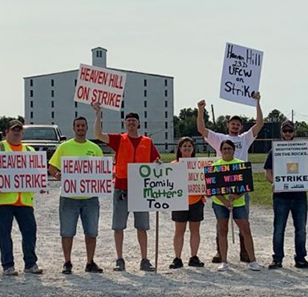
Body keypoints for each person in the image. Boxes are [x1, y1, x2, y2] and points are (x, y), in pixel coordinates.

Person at [92, 102, 161, 272]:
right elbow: (98, 134)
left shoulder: (148, 141)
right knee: (118, 226)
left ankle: (144, 259)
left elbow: (156, 160)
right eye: (128, 120)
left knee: (142, 226)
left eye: (133, 121)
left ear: (138, 123)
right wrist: (99, 113)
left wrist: (159, 164)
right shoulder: (119, 139)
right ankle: (119, 259)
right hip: (121, 187)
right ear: (125, 123)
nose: (131, 123)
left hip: (141, 189)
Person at [197, 92, 263, 263]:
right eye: (232, 123)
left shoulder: (245, 138)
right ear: (228, 125)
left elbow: (260, 124)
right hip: (222, 184)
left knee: (243, 221)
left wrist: (257, 102)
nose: (235, 126)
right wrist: (200, 110)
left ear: (241, 127)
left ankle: (245, 253)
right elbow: (202, 130)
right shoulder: (220, 138)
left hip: (240, 186)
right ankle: (220, 252)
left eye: (238, 124)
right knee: (222, 223)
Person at [0, 120, 43, 276]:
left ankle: (30, 263)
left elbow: (37, 172)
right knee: (4, 234)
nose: (16, 132)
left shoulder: (29, 150)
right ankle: (7, 265)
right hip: (2, 199)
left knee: (30, 232)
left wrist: (41, 184)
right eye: (13, 130)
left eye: (19, 130)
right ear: (6, 131)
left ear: (22, 132)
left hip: (24, 200)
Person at [48, 116, 104, 274]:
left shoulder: (95, 148)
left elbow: (102, 170)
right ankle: (67, 262)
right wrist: (58, 174)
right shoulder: (64, 147)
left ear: (87, 128)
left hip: (90, 198)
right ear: (73, 128)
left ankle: (90, 262)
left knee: (92, 231)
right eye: (78, 126)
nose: (80, 128)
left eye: (83, 126)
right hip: (69, 197)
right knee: (67, 231)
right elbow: (51, 167)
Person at [264, 120, 308, 269]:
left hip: (299, 195)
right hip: (281, 196)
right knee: (279, 228)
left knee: (301, 229)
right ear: (281, 132)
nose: (287, 134)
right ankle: (277, 258)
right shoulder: (274, 150)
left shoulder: (303, 149)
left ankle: (300, 258)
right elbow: (268, 172)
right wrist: (273, 183)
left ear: (294, 132)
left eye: (290, 131)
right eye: (285, 131)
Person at [212, 140, 261, 272]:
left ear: (233, 150)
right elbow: (213, 188)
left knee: (246, 230)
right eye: (225, 149)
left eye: (229, 148)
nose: (227, 151)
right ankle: (223, 261)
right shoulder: (215, 166)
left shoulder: (240, 165)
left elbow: (245, 186)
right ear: (221, 151)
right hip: (220, 204)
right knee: (222, 231)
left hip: (238, 204)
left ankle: (252, 260)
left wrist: (236, 196)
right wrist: (224, 201)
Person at [169, 137, 205, 269]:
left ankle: (194, 257)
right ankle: (177, 258)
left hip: (196, 200)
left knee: (195, 231)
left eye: (189, 146)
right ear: (179, 148)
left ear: (193, 149)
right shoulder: (173, 164)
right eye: (184, 146)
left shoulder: (199, 164)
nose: (187, 148)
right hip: (179, 201)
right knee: (179, 231)